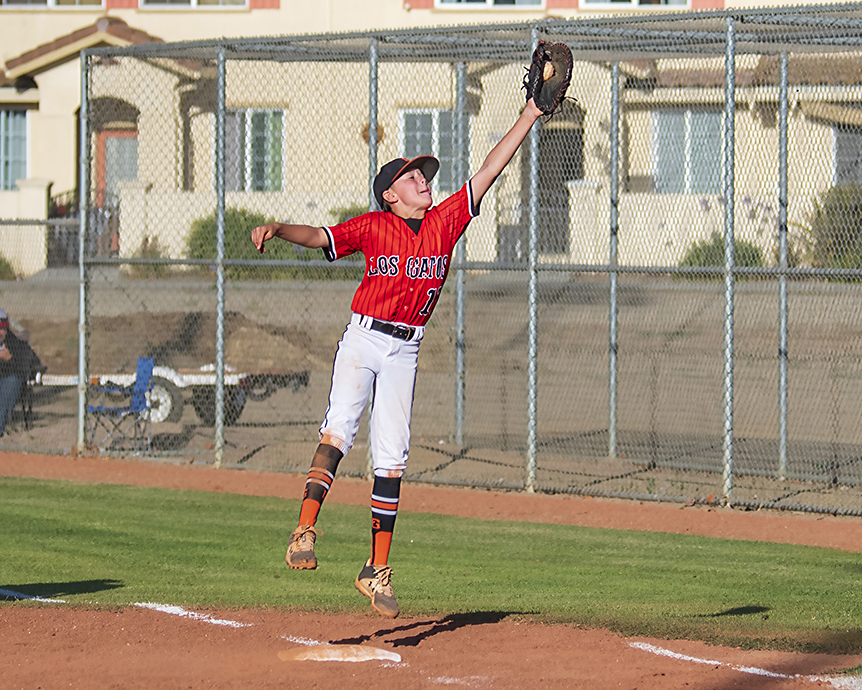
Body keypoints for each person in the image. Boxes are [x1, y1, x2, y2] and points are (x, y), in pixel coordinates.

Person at [251, 97, 544, 619]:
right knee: (339, 430)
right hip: (363, 340)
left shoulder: (445, 222)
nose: (424, 181)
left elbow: (490, 170)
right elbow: (321, 237)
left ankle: (376, 570)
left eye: (425, 176)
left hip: (406, 346)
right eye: (413, 177)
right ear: (391, 194)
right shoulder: (372, 226)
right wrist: (278, 228)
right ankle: (303, 531)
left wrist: (529, 115)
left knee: (393, 456)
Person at [0, 309, 42, 437]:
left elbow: (32, 363)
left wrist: (9, 359)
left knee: (12, 381)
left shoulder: (15, 344)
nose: (1, 332)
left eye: (4, 328)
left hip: (8, 383)